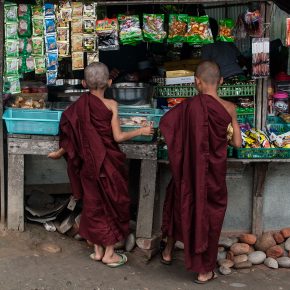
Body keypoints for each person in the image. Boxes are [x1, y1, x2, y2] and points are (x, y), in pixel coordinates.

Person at [48, 62, 153, 267]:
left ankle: (97, 251)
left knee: (93, 205)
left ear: (83, 83)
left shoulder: (77, 106)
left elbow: (70, 133)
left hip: (88, 165)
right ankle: (110, 253)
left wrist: (60, 151)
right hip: (108, 164)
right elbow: (118, 136)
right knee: (113, 204)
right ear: (111, 82)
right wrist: (141, 131)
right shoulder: (112, 105)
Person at [159, 60, 242, 284]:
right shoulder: (229, 108)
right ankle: (204, 271)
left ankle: (167, 252)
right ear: (221, 81)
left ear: (196, 82)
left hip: (188, 172)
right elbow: (237, 142)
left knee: (180, 203)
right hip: (213, 176)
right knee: (209, 216)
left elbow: (166, 123)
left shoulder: (187, 107)